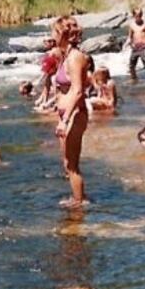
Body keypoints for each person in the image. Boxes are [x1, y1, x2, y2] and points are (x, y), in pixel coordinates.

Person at [54, 16, 90, 206]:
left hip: (74, 115)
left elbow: (77, 90)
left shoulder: (75, 57)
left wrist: (65, 119)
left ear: (63, 34)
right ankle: (77, 198)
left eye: (55, 32)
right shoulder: (65, 56)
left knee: (73, 166)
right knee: (67, 165)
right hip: (66, 114)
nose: (52, 36)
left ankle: (79, 204)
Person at [124, 8, 145, 81]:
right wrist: (126, 44)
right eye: (137, 15)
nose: (139, 17)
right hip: (135, 48)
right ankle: (134, 79)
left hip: (144, 47)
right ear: (134, 16)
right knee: (131, 65)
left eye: (140, 15)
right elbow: (130, 37)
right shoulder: (131, 25)